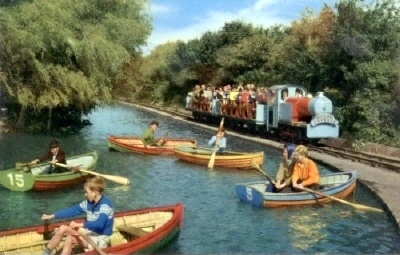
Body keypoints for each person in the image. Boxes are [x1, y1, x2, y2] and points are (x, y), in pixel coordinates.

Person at [41, 176, 114, 255]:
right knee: (62, 229)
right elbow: (72, 210)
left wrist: (79, 224)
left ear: (95, 193)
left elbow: (99, 224)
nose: (85, 194)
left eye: (87, 192)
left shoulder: (105, 205)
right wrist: (52, 216)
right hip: (89, 233)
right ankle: (46, 253)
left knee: (70, 239)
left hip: (101, 238)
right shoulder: (89, 203)